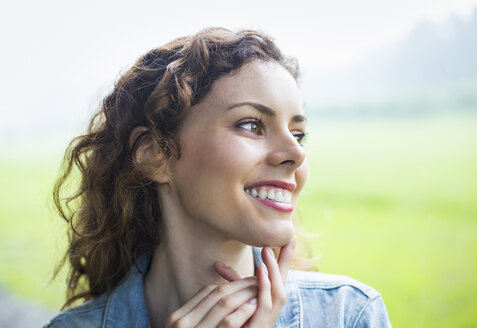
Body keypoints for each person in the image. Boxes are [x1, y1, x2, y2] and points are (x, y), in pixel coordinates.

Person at [44, 27, 392, 327]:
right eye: (252, 125)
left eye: (298, 134)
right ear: (156, 155)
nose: (296, 154)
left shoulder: (350, 315)